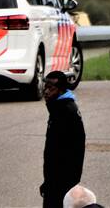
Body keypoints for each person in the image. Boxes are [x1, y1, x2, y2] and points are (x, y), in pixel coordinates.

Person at [40, 71, 86, 208]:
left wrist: (53, 183)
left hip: (62, 181)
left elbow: (65, 152)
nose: (46, 92)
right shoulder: (59, 108)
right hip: (57, 179)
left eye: (51, 88)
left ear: (61, 90)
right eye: (45, 87)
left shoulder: (65, 112)